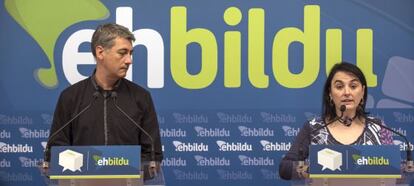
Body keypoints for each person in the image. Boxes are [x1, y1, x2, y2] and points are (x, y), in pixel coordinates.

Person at [45, 23, 163, 166]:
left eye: (130, 53)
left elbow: (152, 154)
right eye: (122, 52)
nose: (129, 60)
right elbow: (56, 149)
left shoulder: (141, 97)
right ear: (100, 52)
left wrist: (123, 168)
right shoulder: (70, 97)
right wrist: (87, 166)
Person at [279, 62, 393, 180]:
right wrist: (312, 169)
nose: (347, 92)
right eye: (339, 87)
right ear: (330, 93)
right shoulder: (314, 128)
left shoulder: (379, 127)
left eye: (353, 86)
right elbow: (285, 168)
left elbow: (394, 169)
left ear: (363, 91)